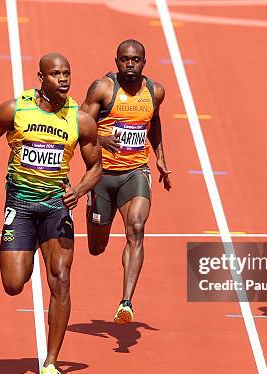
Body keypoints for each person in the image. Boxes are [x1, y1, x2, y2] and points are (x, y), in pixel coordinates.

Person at [0, 53, 101, 374]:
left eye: (67, 74)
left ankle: (51, 363)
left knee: (60, 279)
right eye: (56, 74)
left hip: (55, 207)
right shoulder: (15, 109)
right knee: (13, 285)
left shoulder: (81, 120)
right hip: (20, 205)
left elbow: (96, 167)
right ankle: (27, 248)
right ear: (42, 77)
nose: (64, 79)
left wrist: (79, 189)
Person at [80, 39, 171, 324]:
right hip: (103, 176)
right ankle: (93, 210)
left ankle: (126, 302)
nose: (129, 64)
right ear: (117, 61)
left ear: (144, 62)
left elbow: (153, 122)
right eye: (124, 59)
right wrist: (102, 138)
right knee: (97, 247)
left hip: (135, 172)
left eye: (135, 59)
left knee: (137, 227)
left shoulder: (155, 92)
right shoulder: (103, 89)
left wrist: (160, 157)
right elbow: (80, 123)